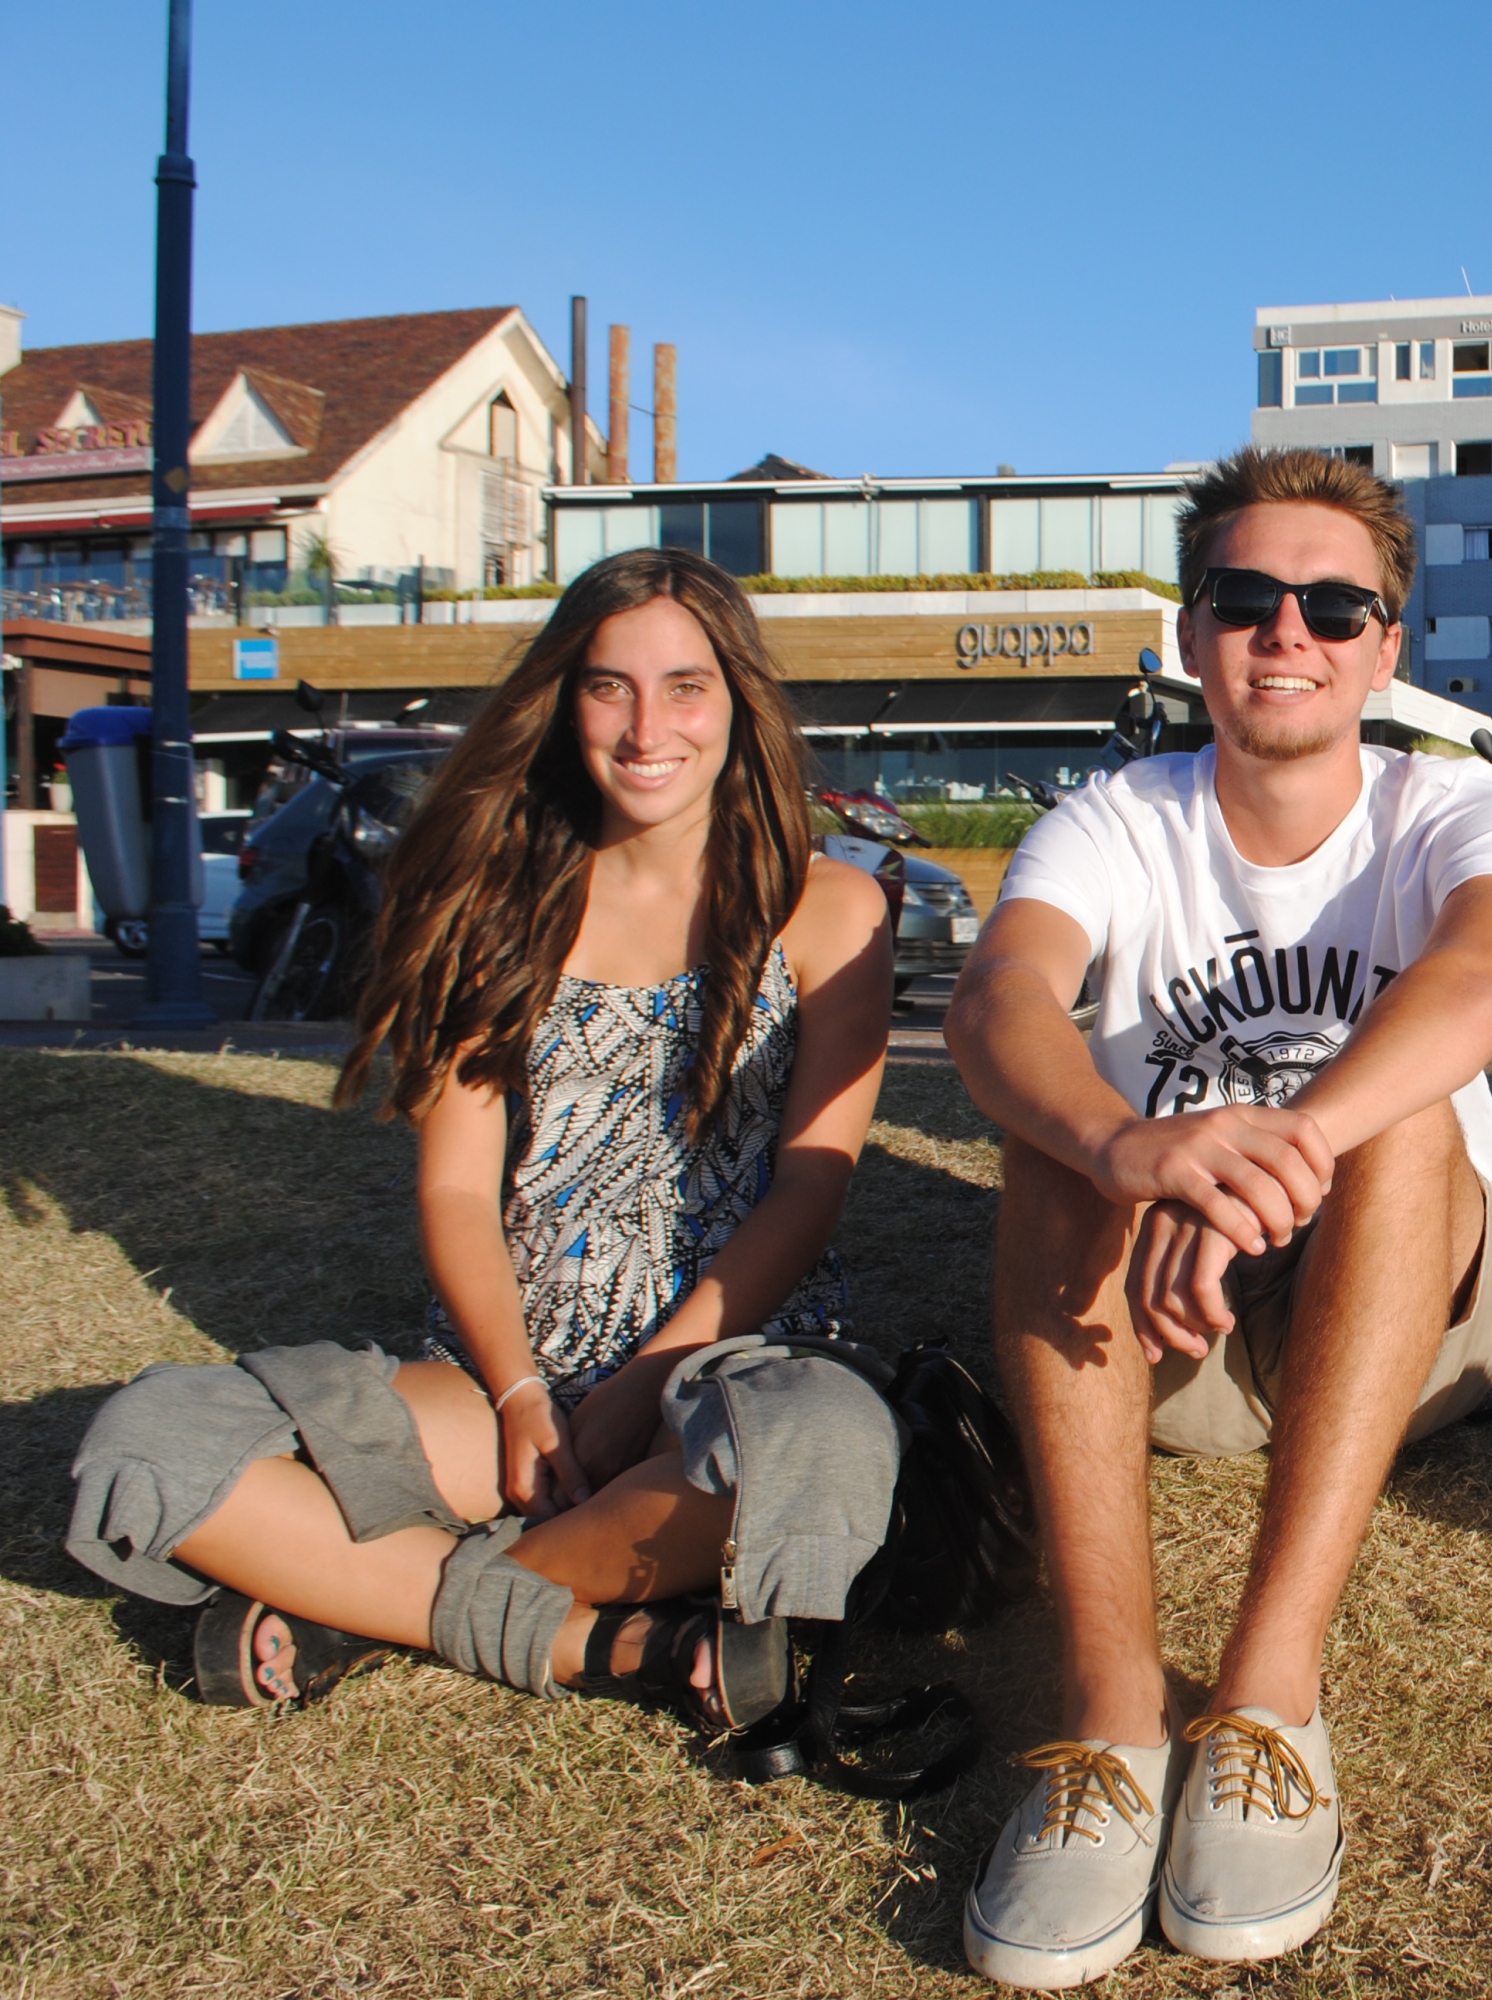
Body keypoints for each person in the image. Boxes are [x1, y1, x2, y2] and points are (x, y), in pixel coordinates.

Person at [68, 548, 901, 1730]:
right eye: (608, 685)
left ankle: (355, 1602)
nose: (645, 723)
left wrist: (646, 1386)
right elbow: (458, 1190)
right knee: (148, 1441)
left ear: (738, 701)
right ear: (564, 703)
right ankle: (612, 1642)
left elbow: (806, 1194)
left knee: (821, 1455)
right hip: (506, 1376)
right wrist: (520, 1393)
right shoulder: (490, 902)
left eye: (685, 685)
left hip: (733, 1368)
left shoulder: (832, 909)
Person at [943, 446, 1492, 1988]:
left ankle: (1268, 1697)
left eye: (1336, 606)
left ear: (1385, 652)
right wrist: (1127, 1148)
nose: (1291, 631)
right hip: (1175, 1338)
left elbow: (1480, 973)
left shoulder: (1451, 807)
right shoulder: (1114, 819)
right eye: (1249, 598)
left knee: (1403, 1110)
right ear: (1190, 629)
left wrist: (1275, 1147)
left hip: (1400, 1322)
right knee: (1049, 1140)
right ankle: (1110, 1720)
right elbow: (999, 996)